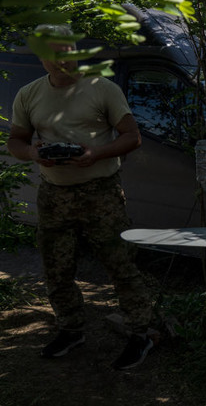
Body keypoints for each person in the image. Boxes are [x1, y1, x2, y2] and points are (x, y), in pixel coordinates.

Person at [7, 24, 155, 370]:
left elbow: (132, 136)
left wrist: (95, 153)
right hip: (53, 195)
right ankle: (70, 329)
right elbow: (15, 140)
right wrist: (32, 152)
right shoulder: (29, 94)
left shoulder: (102, 88)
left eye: (67, 51)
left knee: (120, 265)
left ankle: (141, 333)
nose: (61, 60)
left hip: (100, 193)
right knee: (56, 269)